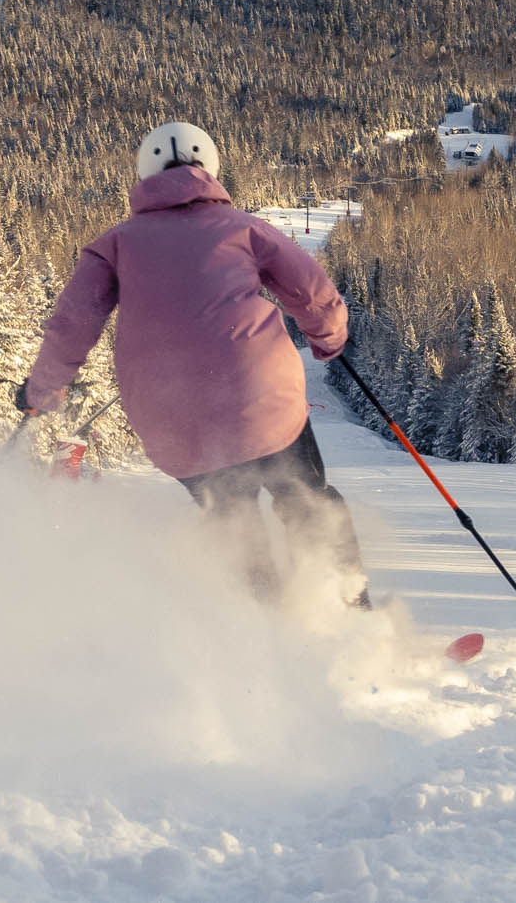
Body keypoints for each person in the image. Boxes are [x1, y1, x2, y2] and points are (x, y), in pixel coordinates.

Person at [18, 121, 369, 605]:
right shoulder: (245, 228)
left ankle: (275, 635)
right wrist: (327, 340)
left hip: (173, 417)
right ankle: (350, 620)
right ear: (210, 168)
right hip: (260, 396)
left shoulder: (114, 245)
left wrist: (43, 390)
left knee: (232, 522)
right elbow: (314, 293)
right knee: (305, 500)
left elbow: (71, 323)